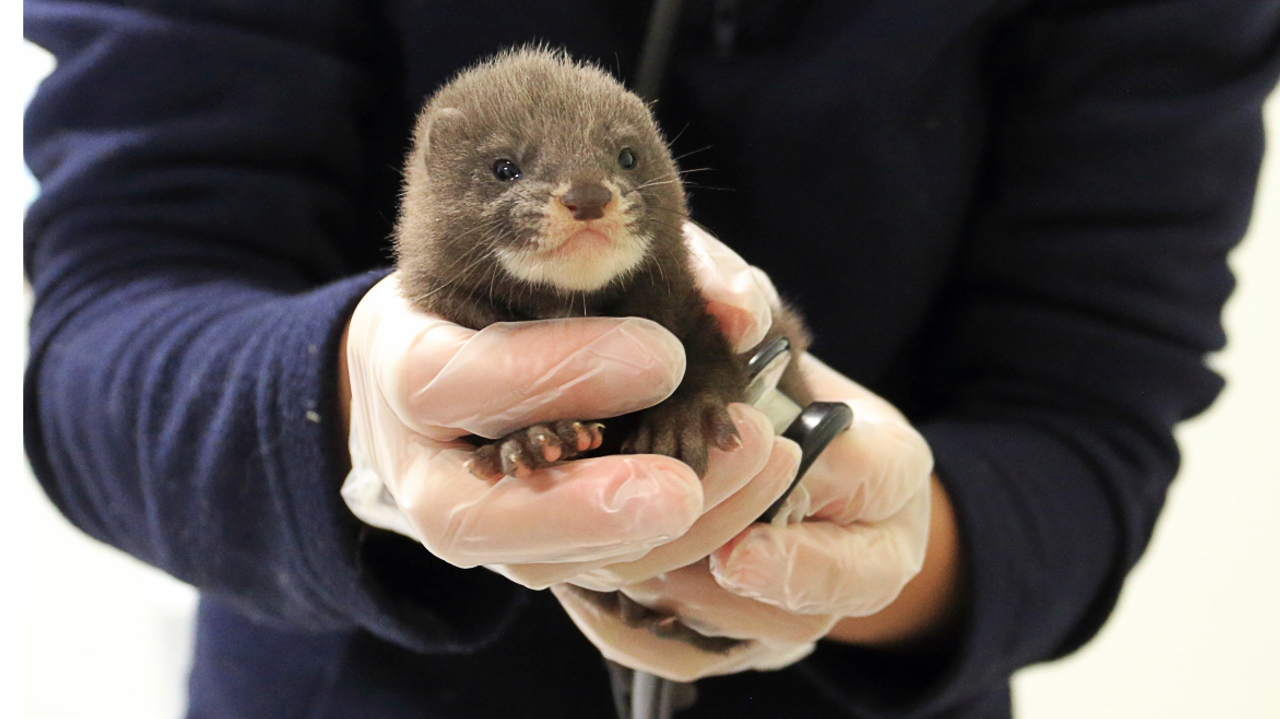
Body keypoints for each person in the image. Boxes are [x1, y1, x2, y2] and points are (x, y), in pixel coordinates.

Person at [22, 0, 1280, 717]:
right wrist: (351, 404)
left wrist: (869, 551)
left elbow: (1090, 397)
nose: (579, 198)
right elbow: (109, 324)